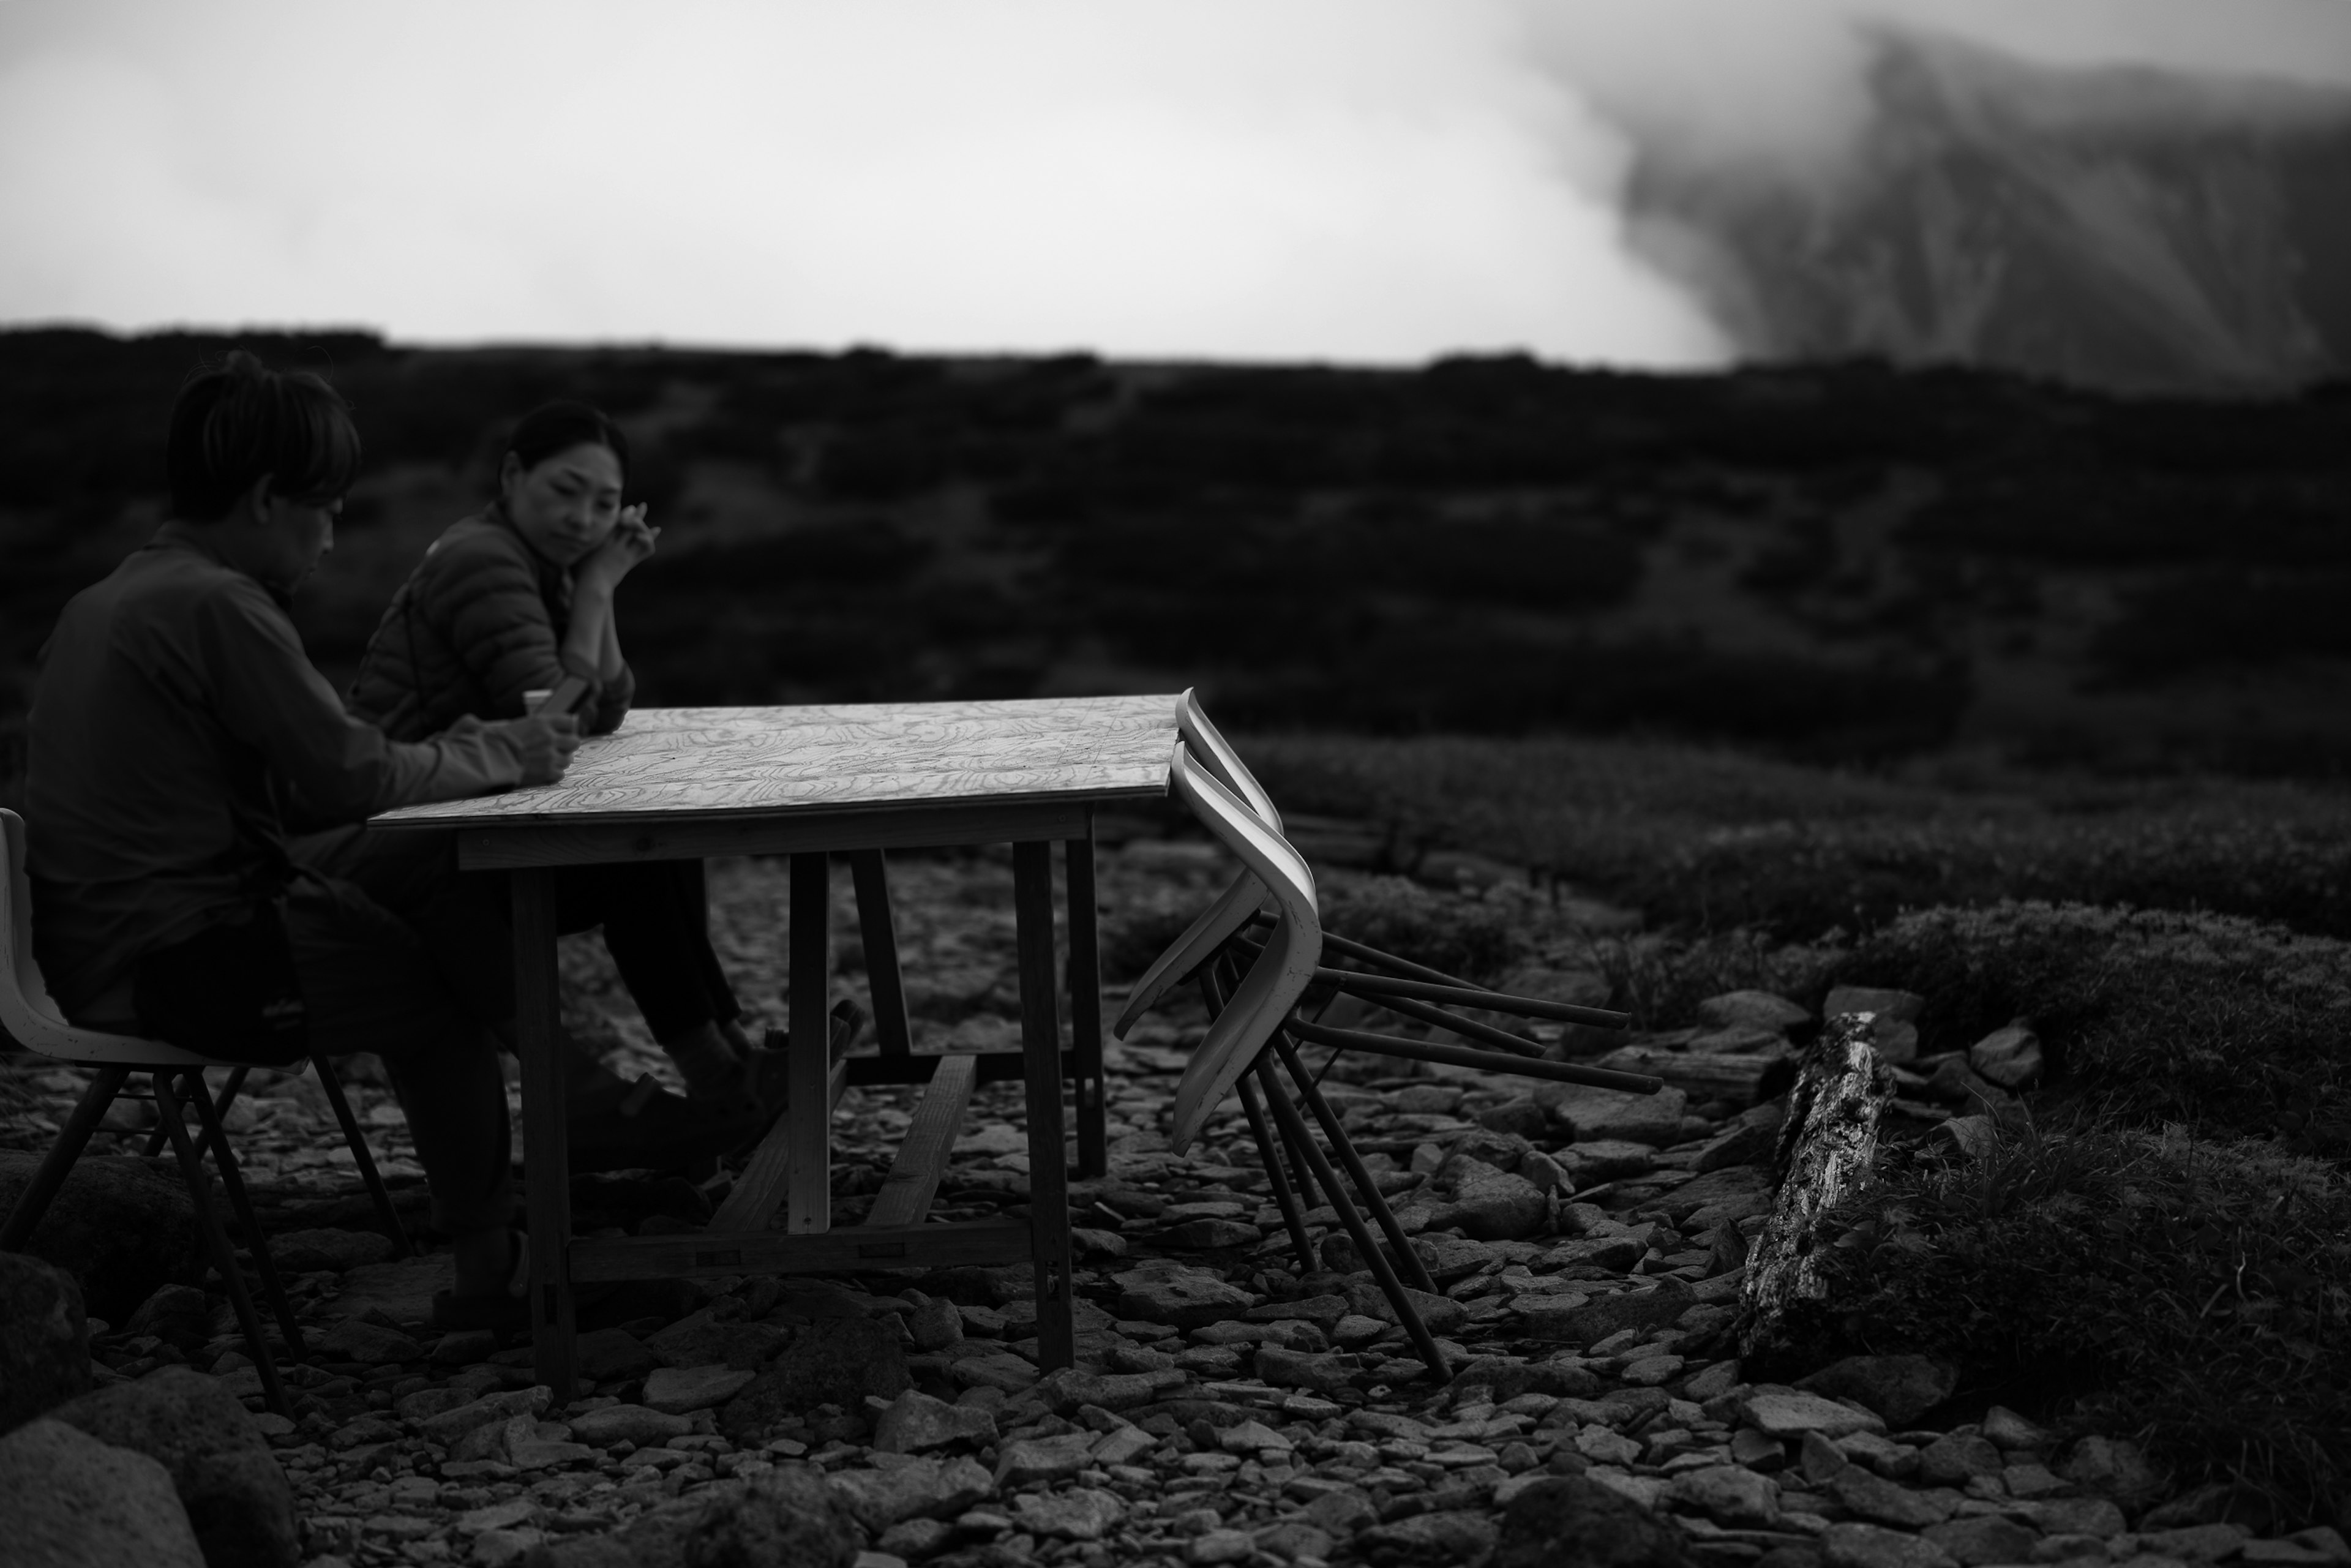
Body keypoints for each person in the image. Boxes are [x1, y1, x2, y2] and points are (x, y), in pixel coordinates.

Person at [24, 351, 576, 1322]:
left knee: (427, 861)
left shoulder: (109, 596)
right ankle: (494, 1266)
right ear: (270, 498)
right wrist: (505, 755)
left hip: (105, 935)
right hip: (177, 959)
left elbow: (324, 780)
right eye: (326, 508)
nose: (331, 537)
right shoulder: (217, 604)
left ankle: (582, 1087)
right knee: (439, 1002)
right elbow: (351, 775)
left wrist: (471, 747)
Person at [345, 402, 774, 1103]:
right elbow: (553, 715)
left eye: (604, 503)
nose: (582, 517)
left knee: (660, 842)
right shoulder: (483, 559)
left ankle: (730, 1053)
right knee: (637, 857)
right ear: (513, 474)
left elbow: (606, 706)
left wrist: (596, 589)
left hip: (455, 816)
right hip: (403, 843)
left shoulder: (545, 563)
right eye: (565, 490)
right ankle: (718, 1073)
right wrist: (601, 584)